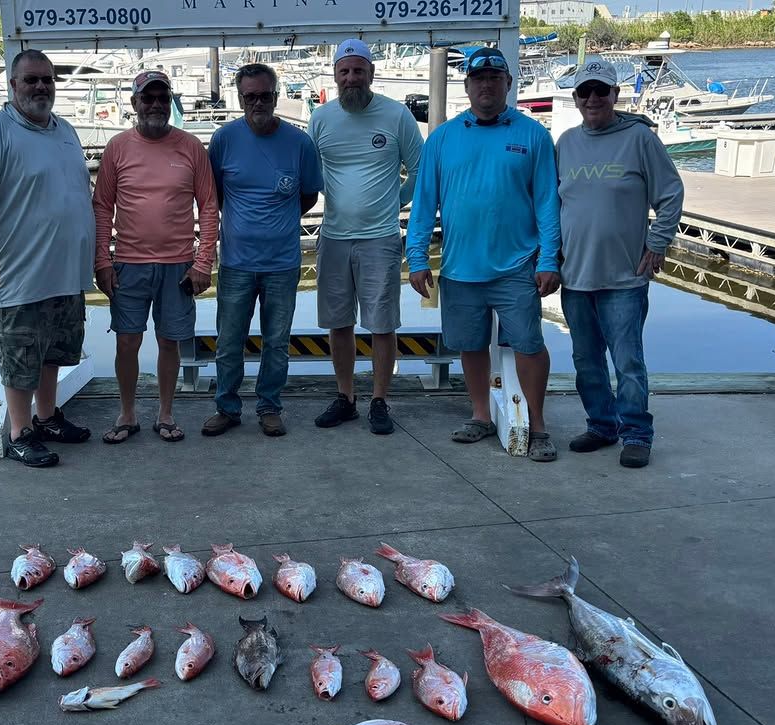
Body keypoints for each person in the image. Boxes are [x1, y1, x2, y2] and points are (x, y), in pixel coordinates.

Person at [406, 47, 561, 461]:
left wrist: (549, 259)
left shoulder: (534, 135)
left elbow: (548, 202)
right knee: (470, 345)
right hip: (460, 267)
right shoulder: (442, 138)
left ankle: (538, 424)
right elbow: (424, 203)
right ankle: (480, 415)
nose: (487, 85)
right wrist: (416, 255)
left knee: (529, 344)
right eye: (479, 79)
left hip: (517, 266)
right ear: (468, 86)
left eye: (495, 78)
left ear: (508, 84)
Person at [0, 49, 94, 468]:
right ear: (13, 85)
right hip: (19, 274)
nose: (40, 87)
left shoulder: (65, 129)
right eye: (31, 80)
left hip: (65, 272)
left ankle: (48, 417)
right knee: (20, 359)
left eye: (47, 80)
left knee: (55, 351)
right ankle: (20, 432)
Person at [556, 57, 684, 469]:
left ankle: (637, 433)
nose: (593, 98)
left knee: (628, 362)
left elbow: (670, 194)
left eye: (601, 91)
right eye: (584, 91)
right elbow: (553, 204)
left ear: (615, 94)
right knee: (585, 360)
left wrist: (658, 241)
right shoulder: (567, 142)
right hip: (575, 276)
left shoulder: (640, 139)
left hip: (625, 277)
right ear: (575, 98)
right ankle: (602, 425)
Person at [92, 70, 219, 443]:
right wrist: (102, 260)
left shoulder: (191, 146)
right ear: (134, 104)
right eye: (147, 98)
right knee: (126, 341)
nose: (155, 105)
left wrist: (203, 262)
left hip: (178, 264)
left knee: (169, 341)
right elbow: (102, 207)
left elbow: (209, 206)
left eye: (162, 98)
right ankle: (127, 413)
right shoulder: (117, 147)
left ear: (171, 102)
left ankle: (165, 413)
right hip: (128, 264)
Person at [306, 38, 423, 435]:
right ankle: (345, 397)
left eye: (359, 70)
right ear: (335, 75)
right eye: (345, 71)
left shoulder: (396, 115)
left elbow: (420, 171)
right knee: (339, 323)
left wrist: (396, 202)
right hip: (335, 237)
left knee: (382, 324)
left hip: (381, 238)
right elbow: (313, 174)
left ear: (371, 74)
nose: (352, 78)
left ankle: (378, 400)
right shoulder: (320, 118)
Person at [201, 63, 322, 438]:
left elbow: (308, 196)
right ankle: (228, 406)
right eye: (250, 96)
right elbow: (215, 196)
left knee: (276, 342)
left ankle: (270, 407)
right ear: (240, 99)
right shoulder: (223, 140)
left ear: (276, 96)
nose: (258, 103)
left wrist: (275, 224)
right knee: (228, 341)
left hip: (283, 264)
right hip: (236, 263)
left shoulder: (300, 143)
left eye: (265, 96)